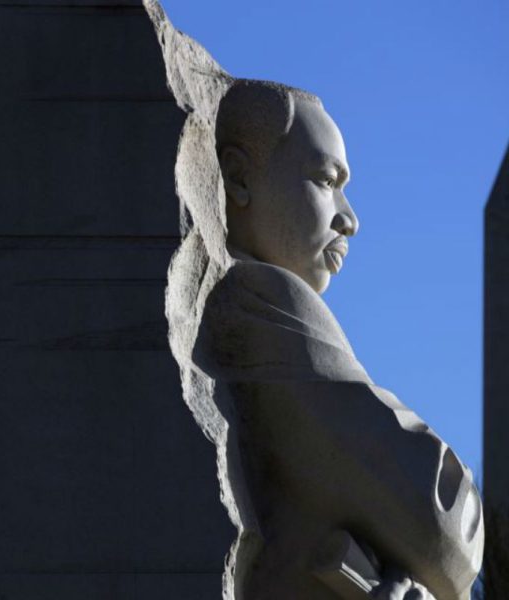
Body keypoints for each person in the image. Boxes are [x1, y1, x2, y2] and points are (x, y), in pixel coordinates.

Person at [187, 80, 483, 600]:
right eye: (327, 180)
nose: (350, 218)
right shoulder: (264, 295)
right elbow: (440, 525)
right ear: (237, 178)